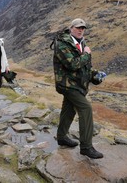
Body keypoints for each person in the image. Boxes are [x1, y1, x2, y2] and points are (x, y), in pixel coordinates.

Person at [53, 18, 105, 159]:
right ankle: (86, 147)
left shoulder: (81, 43)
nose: (81, 30)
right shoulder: (62, 44)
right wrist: (87, 54)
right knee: (85, 108)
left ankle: (62, 137)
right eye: (78, 27)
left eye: (83, 28)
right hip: (67, 85)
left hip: (76, 84)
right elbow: (72, 64)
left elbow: (84, 66)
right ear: (71, 28)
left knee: (68, 110)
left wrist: (94, 75)